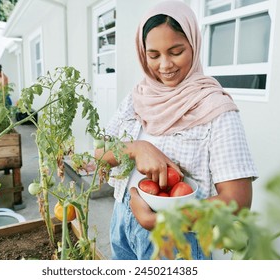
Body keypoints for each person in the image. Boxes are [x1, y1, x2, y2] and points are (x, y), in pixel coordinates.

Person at [94, 0, 258, 260]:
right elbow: (99, 154)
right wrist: (137, 148)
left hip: (176, 240)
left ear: (193, 44)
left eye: (176, 51)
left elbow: (237, 202)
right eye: (154, 55)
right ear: (142, 52)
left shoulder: (215, 107)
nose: (165, 65)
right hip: (121, 221)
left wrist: (161, 221)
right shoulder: (138, 96)